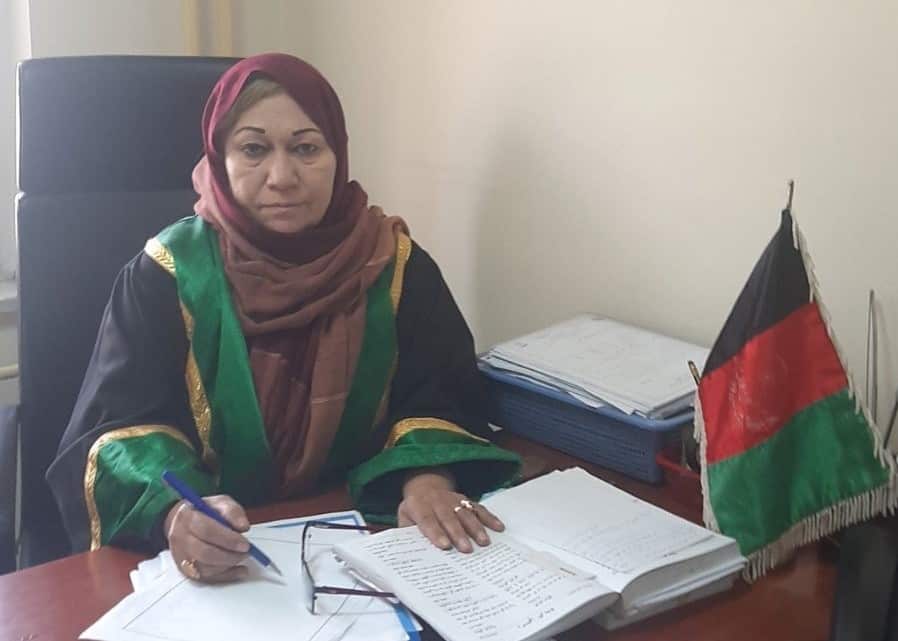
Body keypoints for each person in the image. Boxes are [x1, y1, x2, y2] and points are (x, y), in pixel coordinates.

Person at [46, 53, 521, 583]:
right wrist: (175, 513)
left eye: (305, 148)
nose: (282, 177)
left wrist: (427, 477)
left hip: (365, 559)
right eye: (253, 149)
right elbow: (119, 430)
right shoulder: (165, 275)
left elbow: (439, 396)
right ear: (218, 158)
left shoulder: (395, 266)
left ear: (337, 153)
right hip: (218, 568)